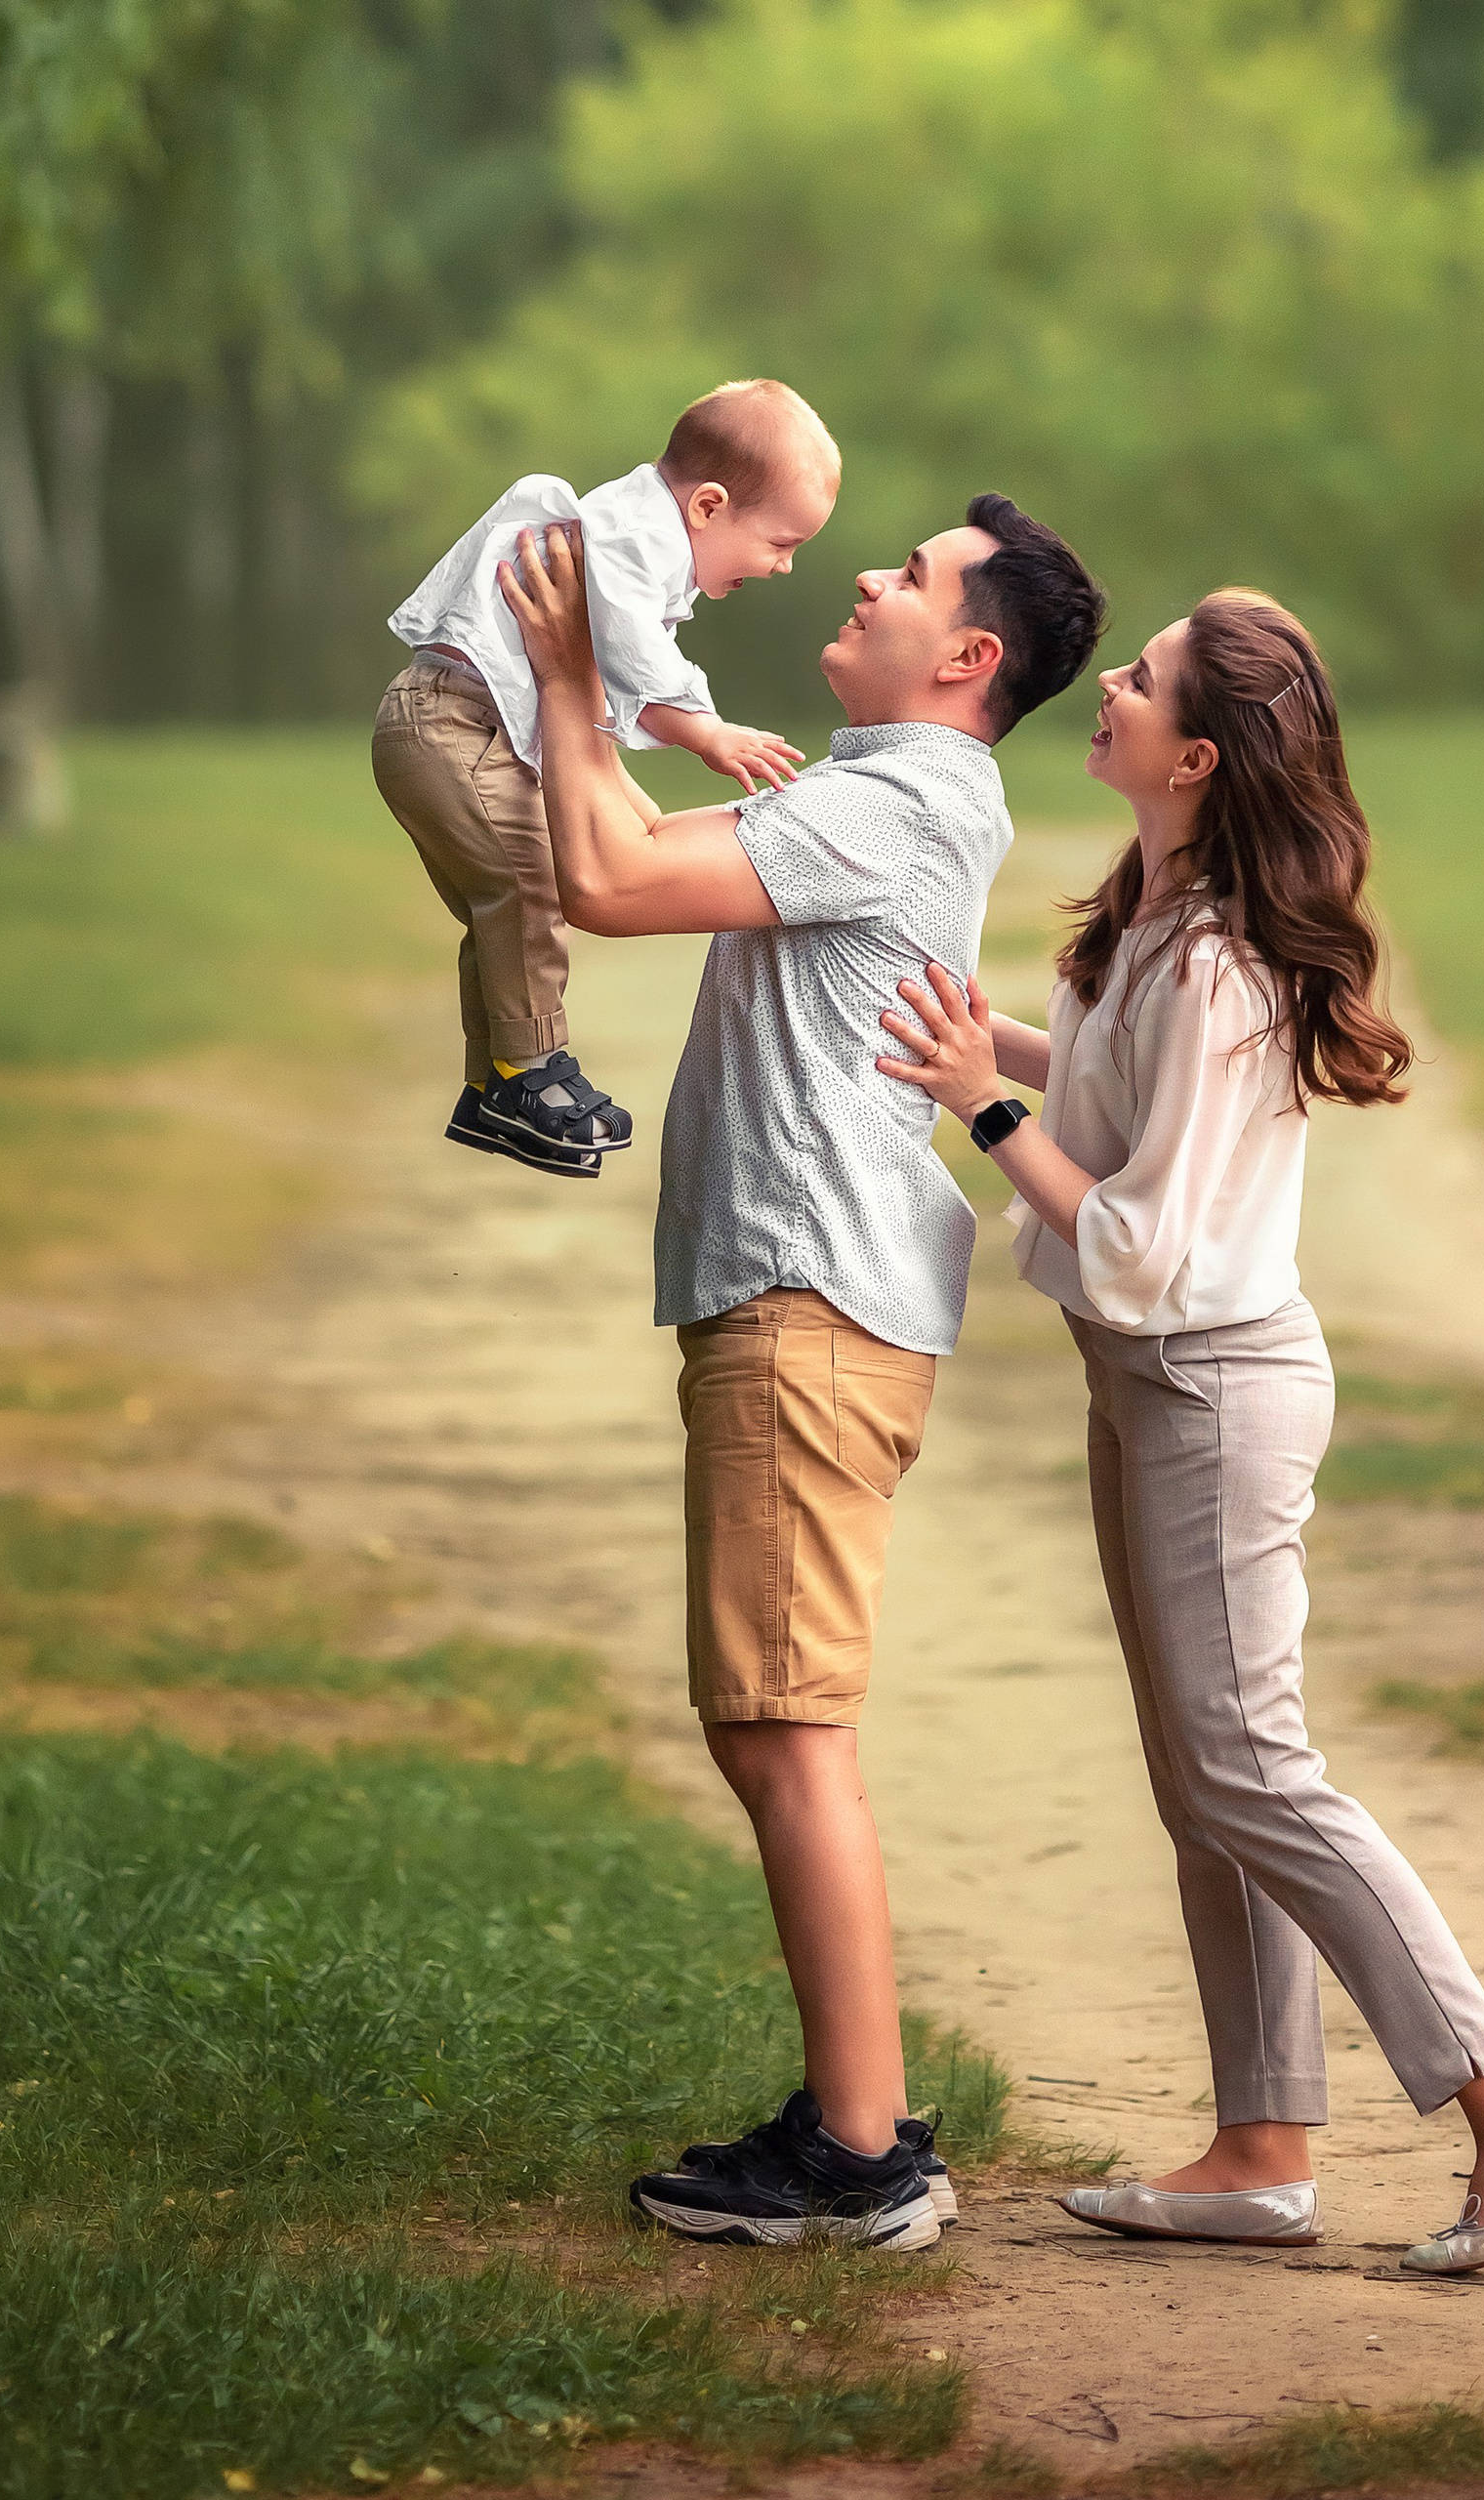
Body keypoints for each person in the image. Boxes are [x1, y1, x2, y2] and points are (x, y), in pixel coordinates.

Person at [872, 588, 1484, 2276]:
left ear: (1194, 754)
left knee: (1250, 1767)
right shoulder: (1157, 911)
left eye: (1138, 681)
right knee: (1202, 1779)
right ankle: (1262, 2144)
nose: (1109, 683)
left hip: (1212, 1380)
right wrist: (980, 1031)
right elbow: (1121, 1096)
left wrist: (977, 1106)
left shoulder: (1216, 958)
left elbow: (1139, 1236)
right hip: (1146, 1386)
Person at [496, 495, 1107, 2249]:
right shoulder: (878, 798)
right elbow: (599, 840)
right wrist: (607, 701)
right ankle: (863, 2128)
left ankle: (861, 2157)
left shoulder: (899, 797)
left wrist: (565, 670)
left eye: (907, 576)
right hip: (809, 1293)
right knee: (776, 1716)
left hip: (803, 1293)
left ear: (969, 656)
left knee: (782, 1725)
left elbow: (609, 884)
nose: (863, 578)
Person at [373, 380, 841, 1180]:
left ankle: (493, 1081)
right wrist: (707, 731)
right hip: (455, 724)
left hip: (463, 728)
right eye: (779, 542)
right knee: (526, 889)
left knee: (504, 906)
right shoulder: (637, 538)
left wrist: (688, 733)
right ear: (709, 506)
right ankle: (530, 1070)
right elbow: (631, 658)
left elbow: (617, 689)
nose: (785, 566)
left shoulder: (641, 540)